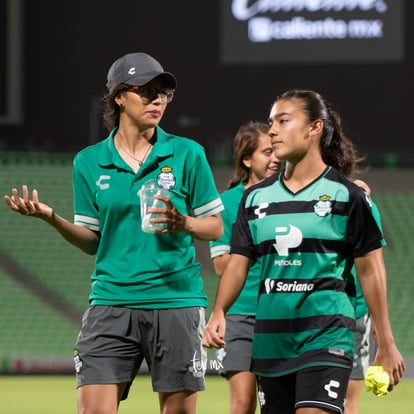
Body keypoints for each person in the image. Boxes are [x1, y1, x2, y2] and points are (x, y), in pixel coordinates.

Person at [4, 52, 224, 414]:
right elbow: (92, 240)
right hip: (111, 302)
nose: (157, 100)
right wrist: (52, 218)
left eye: (164, 93)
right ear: (119, 96)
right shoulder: (89, 162)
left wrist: (183, 222)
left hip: (176, 303)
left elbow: (215, 226)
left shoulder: (187, 154)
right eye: (147, 91)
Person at [203, 89, 405, 414]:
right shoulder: (254, 199)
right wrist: (219, 312)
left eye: (283, 121)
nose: (272, 130)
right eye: (271, 123)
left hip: (327, 334)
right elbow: (238, 264)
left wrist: (387, 341)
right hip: (271, 338)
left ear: (315, 128)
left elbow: (370, 269)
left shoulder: (348, 196)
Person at [210, 121, 281, 414]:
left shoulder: (290, 196)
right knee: (243, 403)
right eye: (267, 152)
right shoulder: (228, 203)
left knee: (278, 403)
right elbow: (220, 266)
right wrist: (258, 245)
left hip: (280, 311)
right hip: (241, 314)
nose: (275, 158)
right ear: (247, 159)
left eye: (276, 150)